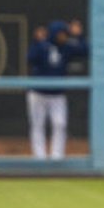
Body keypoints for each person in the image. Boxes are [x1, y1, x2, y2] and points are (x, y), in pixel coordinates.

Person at [26, 20, 88, 160]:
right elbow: (30, 58)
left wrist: (78, 36)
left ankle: (57, 156)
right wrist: (36, 42)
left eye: (66, 34)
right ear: (54, 33)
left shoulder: (66, 47)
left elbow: (85, 50)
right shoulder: (42, 46)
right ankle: (39, 157)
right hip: (38, 93)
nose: (65, 36)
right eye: (62, 34)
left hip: (57, 95)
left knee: (60, 124)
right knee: (37, 125)